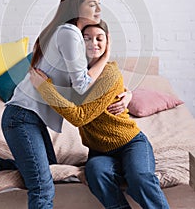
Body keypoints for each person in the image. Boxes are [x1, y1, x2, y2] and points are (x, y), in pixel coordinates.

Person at [0, 0, 120, 209]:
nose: (98, 9)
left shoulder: (67, 33)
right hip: (21, 118)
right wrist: (106, 56)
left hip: (31, 119)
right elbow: (82, 86)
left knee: (49, 167)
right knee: (42, 187)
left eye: (99, 3)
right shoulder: (70, 34)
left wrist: (126, 96)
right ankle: (3, 165)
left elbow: (91, 83)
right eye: (91, 4)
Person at [30, 20, 170, 209]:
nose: (93, 43)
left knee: (140, 178)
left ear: (107, 42)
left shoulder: (110, 73)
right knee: (95, 173)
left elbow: (80, 116)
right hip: (99, 151)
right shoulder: (75, 74)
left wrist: (44, 88)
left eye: (99, 38)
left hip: (130, 143)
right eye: (86, 38)